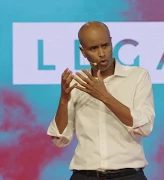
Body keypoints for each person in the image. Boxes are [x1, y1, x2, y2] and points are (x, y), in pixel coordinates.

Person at [47, 21, 155, 180]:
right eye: (93, 48)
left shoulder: (137, 77)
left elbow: (144, 128)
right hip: (85, 175)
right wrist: (64, 99)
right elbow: (60, 139)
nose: (102, 53)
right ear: (83, 52)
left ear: (111, 42)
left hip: (128, 175)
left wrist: (104, 96)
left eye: (105, 45)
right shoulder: (77, 84)